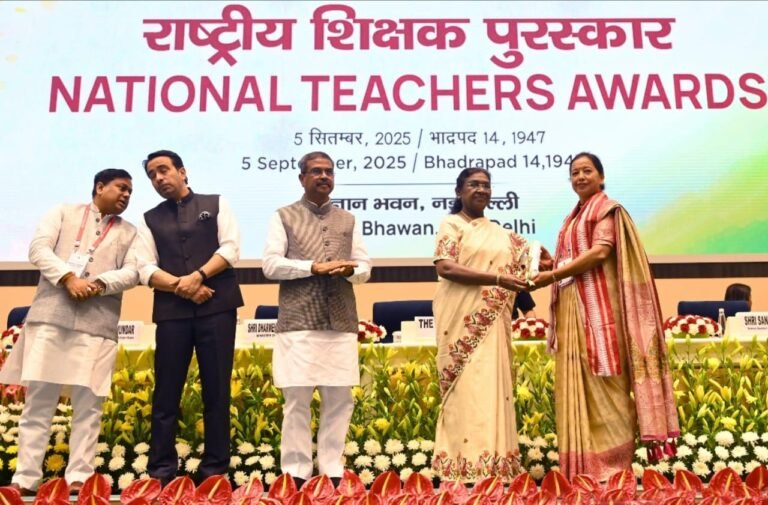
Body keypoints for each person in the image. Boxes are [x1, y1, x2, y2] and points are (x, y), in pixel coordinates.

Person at [531, 152, 679, 481]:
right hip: (574, 310)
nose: (580, 177)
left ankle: (614, 468)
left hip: (601, 315)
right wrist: (552, 265)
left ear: (601, 176)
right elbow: (575, 262)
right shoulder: (572, 217)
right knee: (582, 384)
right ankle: (584, 469)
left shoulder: (607, 210)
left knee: (608, 384)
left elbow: (599, 253)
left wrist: (552, 275)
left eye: (587, 171)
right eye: (575, 173)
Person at [0, 169, 137, 494]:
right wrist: (68, 278)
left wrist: (98, 284)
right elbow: (38, 249)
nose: (126, 195)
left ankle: (79, 477)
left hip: (98, 325)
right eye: (121, 188)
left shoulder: (130, 231)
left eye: (130, 192)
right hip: (51, 319)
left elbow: (133, 272)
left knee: (89, 406)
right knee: (39, 402)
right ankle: (25, 478)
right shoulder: (62, 212)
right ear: (99, 186)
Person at [134, 150, 243, 486]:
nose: (158, 178)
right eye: (152, 175)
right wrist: (184, 287)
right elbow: (145, 268)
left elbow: (230, 249)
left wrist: (198, 276)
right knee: (166, 393)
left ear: (182, 172)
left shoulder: (216, 203)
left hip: (217, 309)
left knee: (217, 391)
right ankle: (160, 471)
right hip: (172, 314)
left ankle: (214, 471)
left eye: (164, 170)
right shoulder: (148, 219)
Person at [262, 151, 371, 488]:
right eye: (316, 171)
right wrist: (312, 267)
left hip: (341, 321)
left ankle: (332, 468)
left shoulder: (348, 219)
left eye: (329, 171)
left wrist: (350, 270)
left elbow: (365, 267)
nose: (324, 176)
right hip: (299, 322)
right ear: (302, 178)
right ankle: (295, 472)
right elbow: (270, 265)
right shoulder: (283, 216)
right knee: (297, 400)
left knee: (340, 399)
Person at [430, 167, 536, 482]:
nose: (481, 189)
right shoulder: (451, 224)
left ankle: (496, 465)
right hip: (459, 322)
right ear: (459, 191)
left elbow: (527, 266)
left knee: (490, 388)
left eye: (486, 185)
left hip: (494, 324)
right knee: (466, 391)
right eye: (473, 184)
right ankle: (461, 466)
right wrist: (498, 279)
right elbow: (446, 268)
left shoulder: (502, 234)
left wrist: (542, 264)